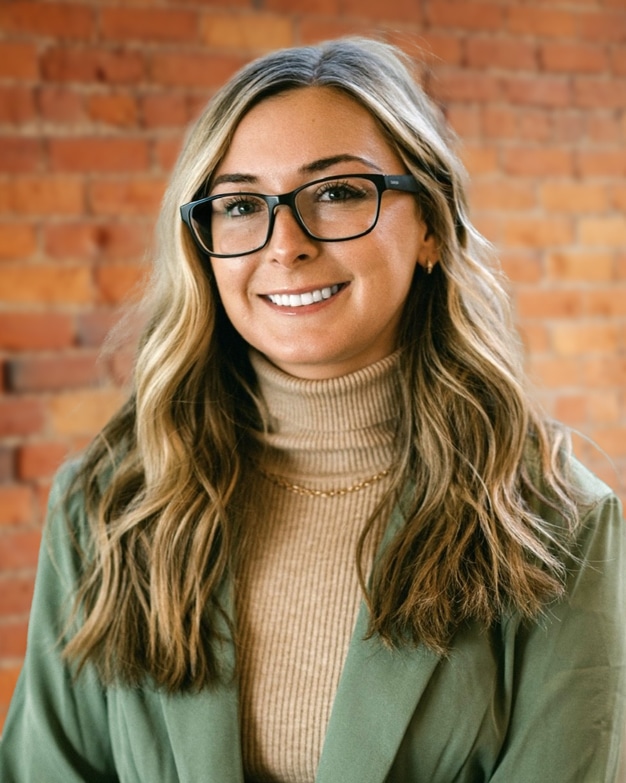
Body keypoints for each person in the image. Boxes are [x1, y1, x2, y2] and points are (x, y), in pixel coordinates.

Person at [0, 36, 624, 783]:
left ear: (427, 223)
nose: (284, 244)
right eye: (239, 205)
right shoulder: (109, 505)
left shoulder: (558, 527)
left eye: (336, 193)